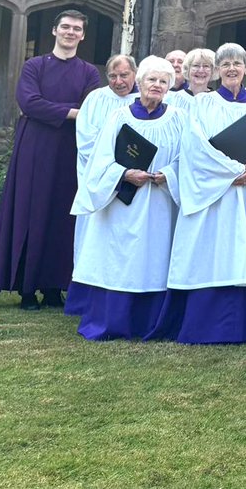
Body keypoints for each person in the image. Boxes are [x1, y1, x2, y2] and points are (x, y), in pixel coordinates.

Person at [150, 43, 246, 344]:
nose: (231, 69)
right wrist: (231, 172)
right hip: (218, 194)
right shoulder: (203, 104)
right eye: (225, 63)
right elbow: (195, 149)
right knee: (214, 252)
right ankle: (208, 324)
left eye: (237, 63)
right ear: (217, 70)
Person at [0, 9, 101, 310]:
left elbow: (92, 106)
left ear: (82, 35)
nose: (70, 32)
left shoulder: (89, 72)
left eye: (76, 28)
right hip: (34, 150)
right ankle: (27, 289)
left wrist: (58, 111)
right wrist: (71, 112)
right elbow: (29, 102)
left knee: (63, 216)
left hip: (70, 151)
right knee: (30, 213)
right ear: (54, 31)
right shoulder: (34, 66)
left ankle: (53, 287)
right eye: (65, 27)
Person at [69, 56, 184, 340]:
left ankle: (148, 321)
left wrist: (168, 174)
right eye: (151, 80)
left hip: (159, 201)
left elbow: (188, 159)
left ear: (168, 87)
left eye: (162, 81)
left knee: (152, 258)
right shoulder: (119, 117)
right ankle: (111, 321)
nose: (156, 85)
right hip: (121, 202)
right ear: (139, 82)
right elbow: (99, 160)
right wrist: (124, 174)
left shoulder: (179, 119)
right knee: (118, 257)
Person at [66, 54, 140, 316]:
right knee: (94, 238)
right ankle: (87, 299)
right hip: (101, 181)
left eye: (124, 75)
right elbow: (87, 143)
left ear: (135, 74)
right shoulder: (96, 99)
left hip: (138, 184)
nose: (119, 81)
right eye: (113, 76)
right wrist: (117, 173)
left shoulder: (143, 102)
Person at [165, 48, 215, 112]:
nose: (201, 70)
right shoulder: (171, 99)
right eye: (196, 65)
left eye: (206, 66)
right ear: (187, 69)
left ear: (213, 71)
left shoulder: (219, 101)